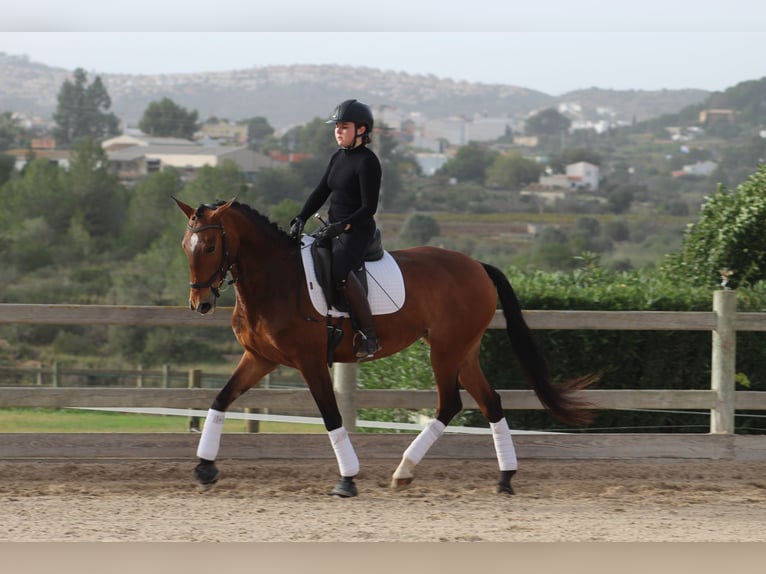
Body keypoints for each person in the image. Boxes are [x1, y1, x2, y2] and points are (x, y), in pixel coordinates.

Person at [290, 99, 382, 361]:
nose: (338, 131)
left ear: (361, 130)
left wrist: (343, 226)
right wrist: (301, 216)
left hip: (357, 230)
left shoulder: (368, 162)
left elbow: (369, 207)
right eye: (336, 127)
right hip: (332, 227)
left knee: (339, 271)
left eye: (344, 126)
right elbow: (321, 191)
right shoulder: (338, 157)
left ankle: (369, 336)